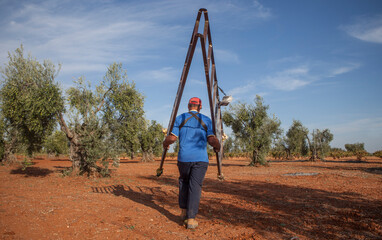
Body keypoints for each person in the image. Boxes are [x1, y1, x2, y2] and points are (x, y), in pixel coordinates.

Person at [163, 97, 221, 229]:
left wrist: (164, 143)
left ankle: (183, 212)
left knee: (184, 182)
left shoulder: (180, 118)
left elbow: (172, 138)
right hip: (200, 159)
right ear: (200, 107)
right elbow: (212, 140)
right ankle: (190, 218)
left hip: (183, 158)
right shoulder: (206, 119)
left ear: (189, 106)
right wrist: (217, 146)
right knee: (195, 186)